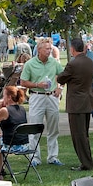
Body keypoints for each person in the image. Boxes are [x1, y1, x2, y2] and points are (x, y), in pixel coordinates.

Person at [20, 38, 64, 167]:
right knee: (34, 127)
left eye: (50, 49)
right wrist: (37, 84)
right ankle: (34, 157)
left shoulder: (54, 63)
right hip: (37, 96)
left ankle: (53, 157)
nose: (49, 51)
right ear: (39, 50)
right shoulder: (30, 64)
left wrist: (59, 88)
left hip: (51, 97)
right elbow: (23, 82)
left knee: (53, 128)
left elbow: (62, 76)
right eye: (47, 49)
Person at [57, 37, 93, 171]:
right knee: (84, 133)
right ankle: (87, 160)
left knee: (78, 135)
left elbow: (61, 78)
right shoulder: (89, 62)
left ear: (72, 49)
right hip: (87, 101)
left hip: (76, 103)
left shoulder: (73, 64)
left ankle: (86, 163)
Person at [0, 85, 29, 179]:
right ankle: (1, 170)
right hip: (24, 144)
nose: (3, 98)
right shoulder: (22, 109)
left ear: (9, 97)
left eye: (4, 96)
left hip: (12, 145)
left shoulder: (4, 110)